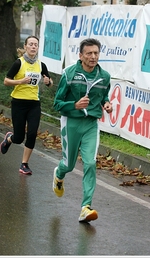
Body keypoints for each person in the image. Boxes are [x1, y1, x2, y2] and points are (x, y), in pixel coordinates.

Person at [52, 38, 112, 222]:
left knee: (90, 163)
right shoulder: (69, 74)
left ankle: (86, 207)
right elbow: (57, 103)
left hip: (91, 124)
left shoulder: (104, 76)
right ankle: (59, 174)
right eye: (89, 53)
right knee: (68, 165)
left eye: (96, 53)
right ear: (81, 55)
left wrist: (107, 104)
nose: (93, 57)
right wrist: (74, 105)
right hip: (71, 122)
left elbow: (103, 96)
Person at [0, 35, 53, 175]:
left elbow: (49, 82)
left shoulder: (41, 65)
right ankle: (9, 139)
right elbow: (6, 81)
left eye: (36, 44)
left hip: (34, 103)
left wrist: (48, 82)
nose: (33, 47)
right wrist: (20, 81)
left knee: (33, 133)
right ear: (25, 47)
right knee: (19, 138)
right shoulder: (19, 63)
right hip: (18, 103)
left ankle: (24, 164)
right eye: (31, 44)